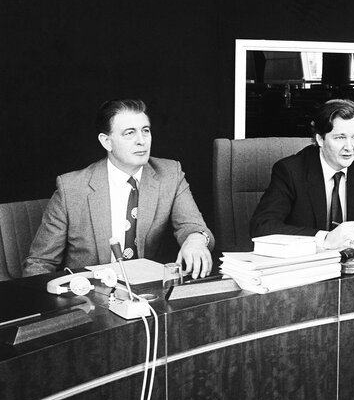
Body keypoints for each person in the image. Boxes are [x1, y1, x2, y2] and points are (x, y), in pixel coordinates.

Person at [24, 99, 214, 278]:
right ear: (107, 142)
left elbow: (193, 226)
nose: (141, 140)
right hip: (89, 298)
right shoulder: (71, 188)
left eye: (145, 130)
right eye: (129, 133)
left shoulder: (170, 174)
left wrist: (195, 240)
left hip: (147, 294)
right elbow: (40, 263)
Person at [250, 99, 354, 249]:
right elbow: (263, 227)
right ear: (320, 139)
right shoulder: (291, 171)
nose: (350, 147)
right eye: (340, 137)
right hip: (306, 267)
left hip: (353, 265)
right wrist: (325, 238)